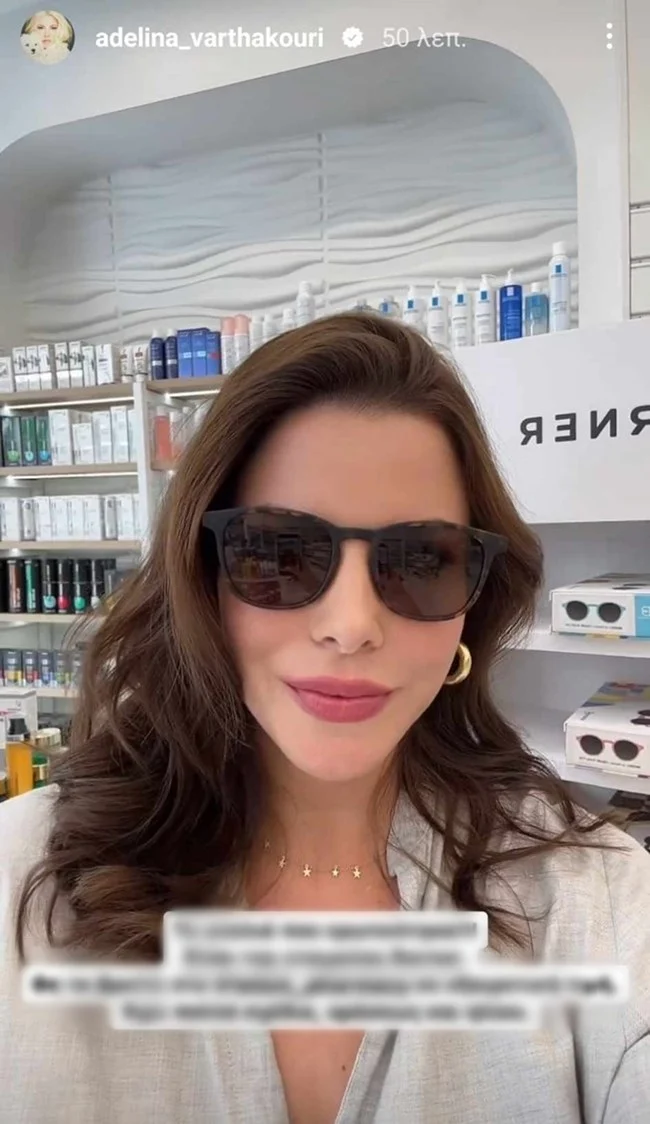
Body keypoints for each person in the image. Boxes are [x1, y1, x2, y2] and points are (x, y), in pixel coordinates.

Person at [0, 312, 648, 1124]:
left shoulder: (597, 898)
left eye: (421, 561)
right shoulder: (21, 878)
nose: (351, 626)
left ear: (475, 602)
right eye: (279, 554)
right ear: (202, 580)